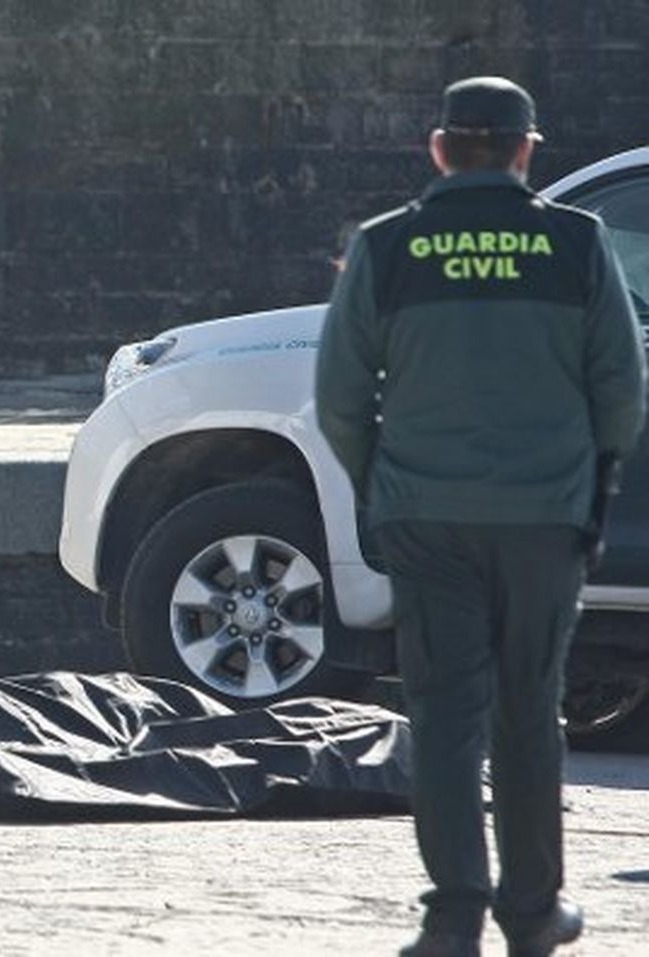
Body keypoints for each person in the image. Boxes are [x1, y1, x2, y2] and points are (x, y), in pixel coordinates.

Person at [315, 76, 646, 957]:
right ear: (526, 149)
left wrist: (383, 485)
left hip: (427, 516)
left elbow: (341, 400)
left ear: (437, 148)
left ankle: (453, 917)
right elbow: (621, 390)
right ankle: (534, 912)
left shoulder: (388, 249)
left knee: (447, 716)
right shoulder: (578, 243)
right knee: (530, 712)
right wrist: (591, 486)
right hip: (543, 518)